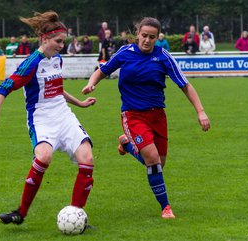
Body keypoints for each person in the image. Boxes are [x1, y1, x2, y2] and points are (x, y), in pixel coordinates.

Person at [82, 17, 210, 219]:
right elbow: (103, 70)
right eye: (144, 36)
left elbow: (185, 85)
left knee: (159, 164)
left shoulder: (164, 57)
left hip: (158, 115)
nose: (147, 40)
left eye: (152, 37)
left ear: (157, 38)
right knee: (152, 159)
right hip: (133, 115)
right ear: (138, 34)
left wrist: (200, 111)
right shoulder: (126, 53)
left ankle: (127, 145)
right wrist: (92, 83)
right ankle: (166, 207)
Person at [0, 10, 96, 226]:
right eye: (58, 41)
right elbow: (4, 87)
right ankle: (20, 212)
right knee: (44, 157)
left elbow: (57, 90)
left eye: (63, 41)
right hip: (41, 119)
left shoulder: (58, 59)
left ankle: (76, 214)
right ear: (44, 39)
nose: (61, 45)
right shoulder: (31, 64)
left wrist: (80, 104)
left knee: (87, 159)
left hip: (64, 116)